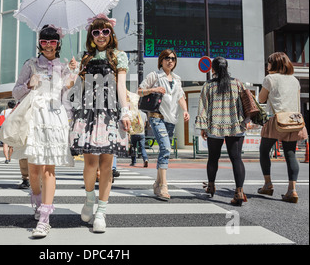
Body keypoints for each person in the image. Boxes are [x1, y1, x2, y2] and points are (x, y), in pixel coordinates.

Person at [11, 24, 76, 238]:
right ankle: (38, 205)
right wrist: (29, 84)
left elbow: (67, 94)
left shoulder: (64, 66)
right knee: (34, 171)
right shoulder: (30, 64)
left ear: (58, 44)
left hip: (55, 119)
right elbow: (16, 92)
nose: (48, 45)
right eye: (45, 41)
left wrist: (74, 73)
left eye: (53, 41)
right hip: (34, 118)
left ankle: (45, 219)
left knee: (49, 170)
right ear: (40, 43)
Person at [70, 14, 131, 233]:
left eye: (105, 31)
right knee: (89, 164)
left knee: (107, 164)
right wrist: (74, 70)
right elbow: (77, 88)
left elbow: (121, 86)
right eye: (96, 32)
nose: (101, 36)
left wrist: (125, 111)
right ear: (91, 35)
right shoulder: (85, 57)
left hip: (110, 113)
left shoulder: (119, 56)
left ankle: (101, 212)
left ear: (111, 33)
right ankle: (89, 200)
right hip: (87, 112)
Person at [195, 57, 248, 206]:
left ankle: (211, 186)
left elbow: (203, 107)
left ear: (213, 69)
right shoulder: (237, 83)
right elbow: (246, 103)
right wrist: (246, 121)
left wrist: (203, 127)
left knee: (213, 158)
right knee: (236, 158)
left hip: (215, 126)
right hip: (235, 126)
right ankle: (239, 192)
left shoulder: (208, 85)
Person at [138, 49, 189, 200]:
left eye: (173, 58)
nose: (170, 61)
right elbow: (139, 91)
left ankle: (157, 183)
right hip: (156, 117)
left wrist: (185, 110)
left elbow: (180, 97)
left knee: (164, 150)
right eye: (167, 58)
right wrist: (153, 89)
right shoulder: (154, 75)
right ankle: (164, 187)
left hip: (171, 119)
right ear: (161, 60)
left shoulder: (177, 79)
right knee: (166, 148)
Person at [257, 52, 307, 203]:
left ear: (275, 64)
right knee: (290, 154)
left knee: (264, 151)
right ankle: (292, 190)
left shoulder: (270, 79)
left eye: (269, 63)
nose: (267, 65)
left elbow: (261, 99)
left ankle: (268, 184)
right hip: (293, 120)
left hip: (276, 120)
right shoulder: (294, 80)